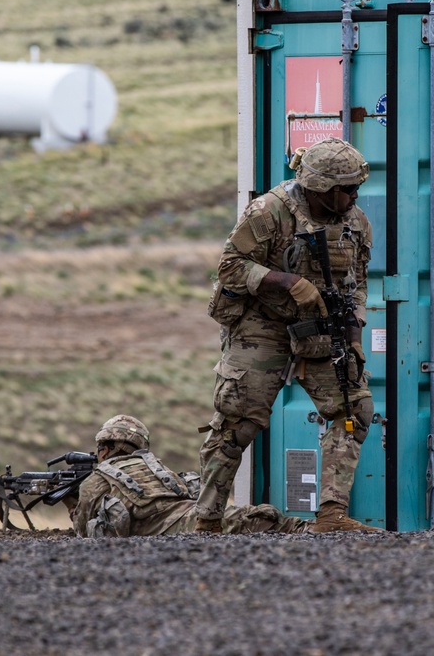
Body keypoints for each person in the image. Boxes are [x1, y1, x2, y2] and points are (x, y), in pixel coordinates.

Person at [195, 137, 378, 534]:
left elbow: (357, 282)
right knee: (236, 423)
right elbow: (229, 266)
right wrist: (285, 281)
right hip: (265, 325)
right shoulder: (269, 212)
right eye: (347, 189)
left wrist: (354, 336)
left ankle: (330, 515)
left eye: (356, 187)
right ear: (322, 189)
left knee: (354, 412)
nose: (355, 195)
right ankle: (206, 520)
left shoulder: (356, 222)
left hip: (322, 329)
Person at [69, 415, 309, 536]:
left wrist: (71, 505)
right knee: (256, 516)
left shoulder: (97, 479)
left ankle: (307, 529)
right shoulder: (155, 465)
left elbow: (82, 531)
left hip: (179, 524)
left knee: (254, 518)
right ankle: (309, 529)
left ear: (105, 447)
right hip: (190, 514)